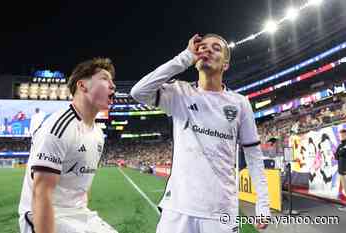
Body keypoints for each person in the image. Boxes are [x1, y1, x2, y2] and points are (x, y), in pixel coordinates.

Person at [131, 34, 271, 233]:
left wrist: (263, 204)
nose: (207, 50)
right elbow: (139, 92)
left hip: (221, 211)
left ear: (225, 64)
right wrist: (185, 57)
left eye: (216, 48)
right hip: (178, 210)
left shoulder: (240, 103)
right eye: (202, 47)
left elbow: (254, 156)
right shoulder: (179, 93)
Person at [18, 58, 118, 233]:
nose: (113, 86)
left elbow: (80, 188)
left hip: (79, 214)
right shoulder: (59, 127)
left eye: (112, 81)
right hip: (45, 214)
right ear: (82, 86)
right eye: (104, 79)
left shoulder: (98, 135)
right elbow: (41, 194)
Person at [335, 128, 346, 211]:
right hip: (341, 170)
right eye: (341, 135)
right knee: (345, 189)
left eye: (343, 135)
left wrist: (340, 153)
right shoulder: (340, 145)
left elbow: (341, 153)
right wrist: (340, 153)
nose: (341, 136)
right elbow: (336, 156)